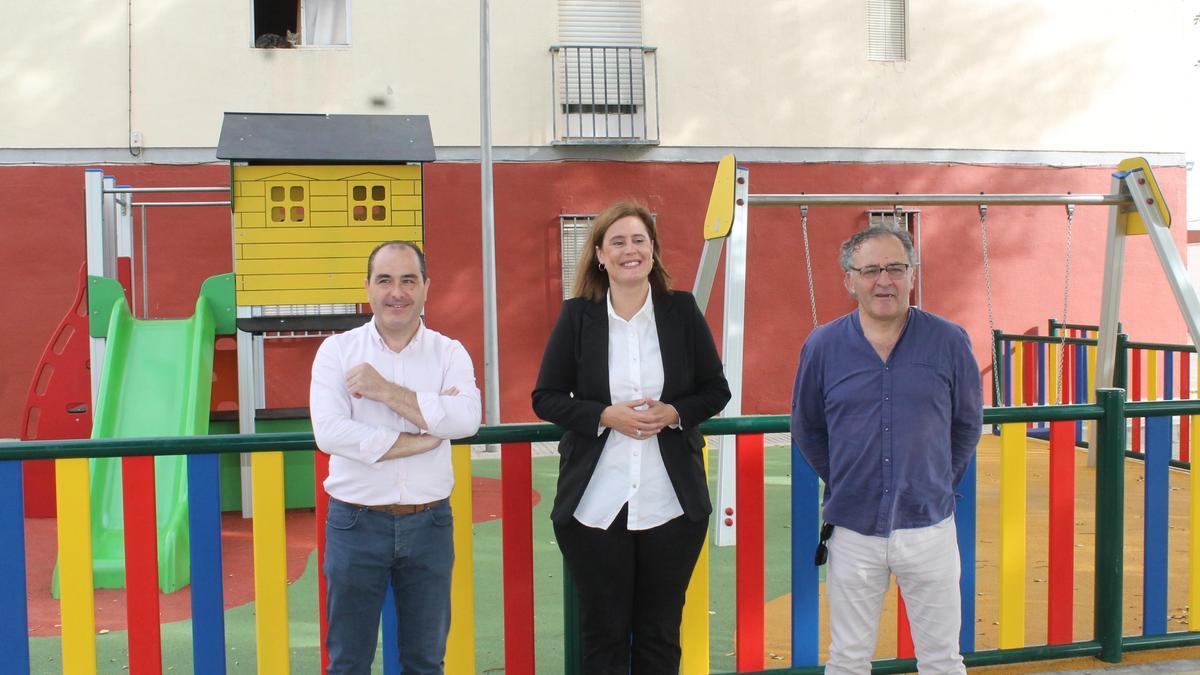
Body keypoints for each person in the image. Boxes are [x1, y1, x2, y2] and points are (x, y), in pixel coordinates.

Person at [532, 200, 731, 674]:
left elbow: (715, 389)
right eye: (617, 241)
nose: (629, 250)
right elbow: (547, 396)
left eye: (639, 240)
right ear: (600, 254)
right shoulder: (577, 316)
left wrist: (675, 412)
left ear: (653, 251)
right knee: (604, 633)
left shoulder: (681, 312)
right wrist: (604, 415)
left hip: (672, 503)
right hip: (596, 505)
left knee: (661, 634)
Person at [789, 226, 982, 675]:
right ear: (849, 280)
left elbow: (967, 423)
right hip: (853, 529)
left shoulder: (949, 341)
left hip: (929, 526)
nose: (884, 281)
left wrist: (935, 480)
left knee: (941, 658)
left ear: (912, 275)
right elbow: (808, 426)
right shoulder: (823, 346)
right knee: (848, 659)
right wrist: (845, 480)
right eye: (871, 269)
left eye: (895, 268)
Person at [310, 240, 481, 675]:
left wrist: (383, 390)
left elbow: (465, 420)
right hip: (354, 523)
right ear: (367, 287)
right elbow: (330, 432)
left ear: (426, 287)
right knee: (348, 662)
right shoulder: (337, 352)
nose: (396, 292)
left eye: (408, 280)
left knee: (425, 661)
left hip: (430, 523)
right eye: (384, 280)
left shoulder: (450, 352)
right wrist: (423, 436)